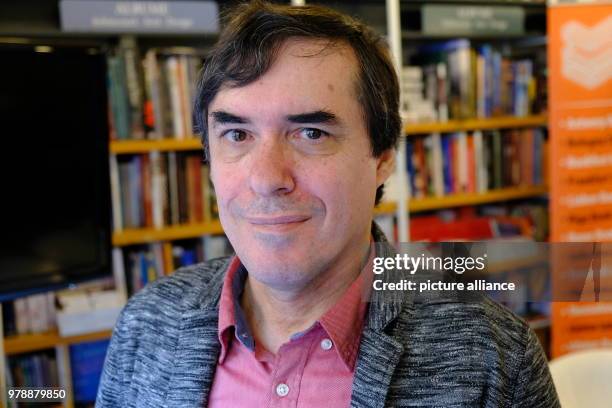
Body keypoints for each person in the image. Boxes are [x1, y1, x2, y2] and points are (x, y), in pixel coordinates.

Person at [96, 1, 560, 407]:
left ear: (382, 159)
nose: (266, 179)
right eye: (237, 134)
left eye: (311, 134)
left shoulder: (494, 359)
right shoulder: (146, 324)